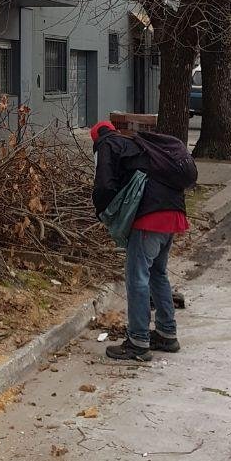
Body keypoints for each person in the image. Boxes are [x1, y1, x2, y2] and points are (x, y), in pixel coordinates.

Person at [90, 119, 197, 362]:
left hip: (150, 219)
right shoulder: (137, 144)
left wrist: (102, 211)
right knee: (158, 273)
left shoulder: (108, 144)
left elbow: (105, 185)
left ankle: (138, 341)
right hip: (173, 213)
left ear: (97, 137)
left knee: (137, 277)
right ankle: (166, 334)